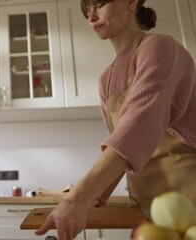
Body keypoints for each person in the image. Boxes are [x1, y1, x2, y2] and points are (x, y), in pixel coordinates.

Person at [35, 0, 196, 239]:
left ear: (131, 3)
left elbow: (138, 127)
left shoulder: (160, 48)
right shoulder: (105, 79)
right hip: (145, 206)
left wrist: (78, 198)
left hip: (188, 199)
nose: (91, 17)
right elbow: (121, 143)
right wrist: (97, 195)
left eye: (99, 5)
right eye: (87, 10)